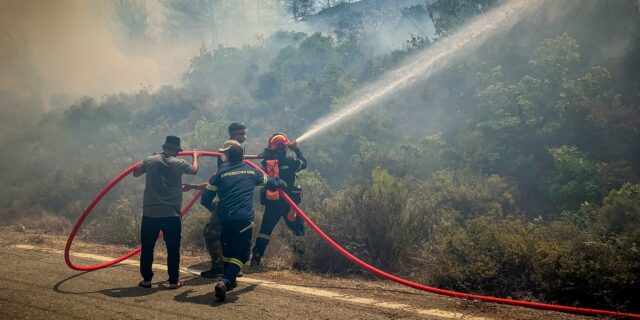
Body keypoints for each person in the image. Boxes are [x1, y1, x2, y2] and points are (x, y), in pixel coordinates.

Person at [200, 140, 285, 301]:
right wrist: (281, 183)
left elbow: (205, 199)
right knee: (242, 254)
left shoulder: (219, 173)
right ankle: (225, 281)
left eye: (223, 153)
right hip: (243, 219)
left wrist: (215, 210)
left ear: (228, 156)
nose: (222, 155)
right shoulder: (251, 171)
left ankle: (229, 281)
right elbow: (272, 183)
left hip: (224, 219)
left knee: (228, 252)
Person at [132, 136, 199, 289]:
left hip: (150, 213)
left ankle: (147, 280)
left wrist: (150, 159)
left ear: (164, 147)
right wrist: (195, 157)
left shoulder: (150, 160)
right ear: (177, 150)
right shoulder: (180, 163)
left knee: (147, 247)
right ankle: (173, 281)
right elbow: (194, 170)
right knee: (173, 249)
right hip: (171, 214)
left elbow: (135, 173)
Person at [183, 122, 247, 279]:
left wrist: (194, 187)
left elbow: (216, 182)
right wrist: (195, 186)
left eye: (244, 134)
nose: (243, 137)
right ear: (232, 135)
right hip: (239, 206)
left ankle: (220, 268)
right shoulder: (229, 156)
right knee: (230, 235)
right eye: (240, 134)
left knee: (212, 233)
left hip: (227, 205)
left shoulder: (234, 155)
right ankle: (232, 267)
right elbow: (217, 180)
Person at [251, 132, 307, 270]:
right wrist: (297, 149)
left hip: (273, 202)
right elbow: (304, 164)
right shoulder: (291, 161)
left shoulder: (265, 164)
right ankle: (299, 264)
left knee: (265, 230)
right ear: (283, 148)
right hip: (290, 204)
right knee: (298, 230)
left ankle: (256, 259)